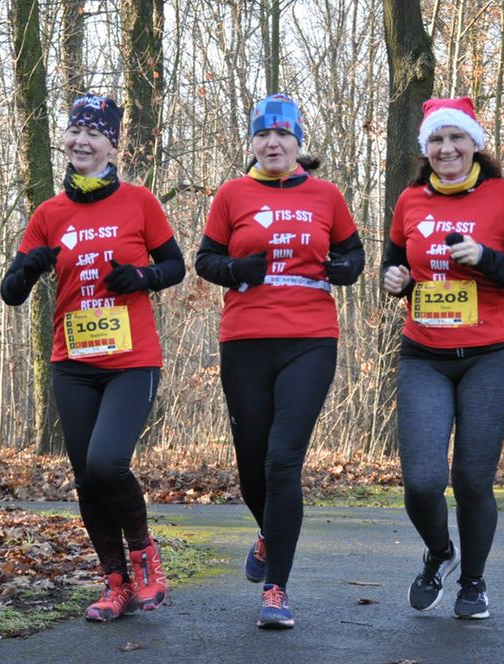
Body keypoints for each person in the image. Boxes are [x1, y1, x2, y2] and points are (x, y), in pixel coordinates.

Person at [0, 94, 185, 622]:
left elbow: (175, 266)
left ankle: (146, 559)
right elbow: (11, 293)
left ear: (111, 145)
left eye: (93, 133)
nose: (81, 141)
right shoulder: (49, 213)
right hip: (73, 363)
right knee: (86, 476)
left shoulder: (139, 202)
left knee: (107, 463)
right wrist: (28, 268)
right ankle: (114, 582)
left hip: (131, 360)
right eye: (75, 131)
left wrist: (142, 276)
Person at [194, 93, 364, 629]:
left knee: (282, 461)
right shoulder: (232, 194)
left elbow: (355, 254)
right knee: (251, 466)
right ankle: (269, 532)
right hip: (245, 340)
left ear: (297, 142)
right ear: (253, 143)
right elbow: (204, 260)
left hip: (310, 339)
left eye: (283, 135)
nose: (273, 144)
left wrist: (345, 269)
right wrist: (235, 268)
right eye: (263, 135)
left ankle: (276, 589)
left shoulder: (326, 195)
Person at [380, 97, 504, 620]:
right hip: (424, 357)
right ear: (425, 149)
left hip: (490, 356)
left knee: (473, 480)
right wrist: (394, 281)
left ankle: (473, 582)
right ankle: (439, 552)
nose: (447, 148)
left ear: (475, 143)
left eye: (456, 137)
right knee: (422, 482)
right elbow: (394, 265)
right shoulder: (410, 201)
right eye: (436, 139)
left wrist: (486, 259)